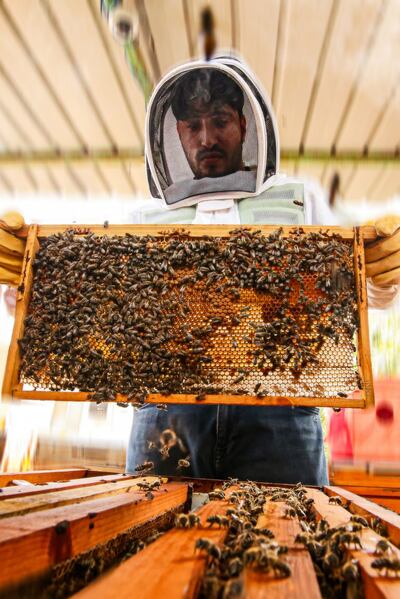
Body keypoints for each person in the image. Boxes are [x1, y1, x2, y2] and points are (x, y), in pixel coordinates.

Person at [1, 56, 399, 486]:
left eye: (220, 120)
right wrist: (29, 284)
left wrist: (380, 276)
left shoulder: (301, 201)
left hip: (280, 418)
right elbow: (87, 312)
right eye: (193, 126)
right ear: (176, 134)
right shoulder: (141, 218)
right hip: (167, 420)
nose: (207, 137)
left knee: (288, 540)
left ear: (246, 126)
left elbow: (354, 291)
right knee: (150, 539)